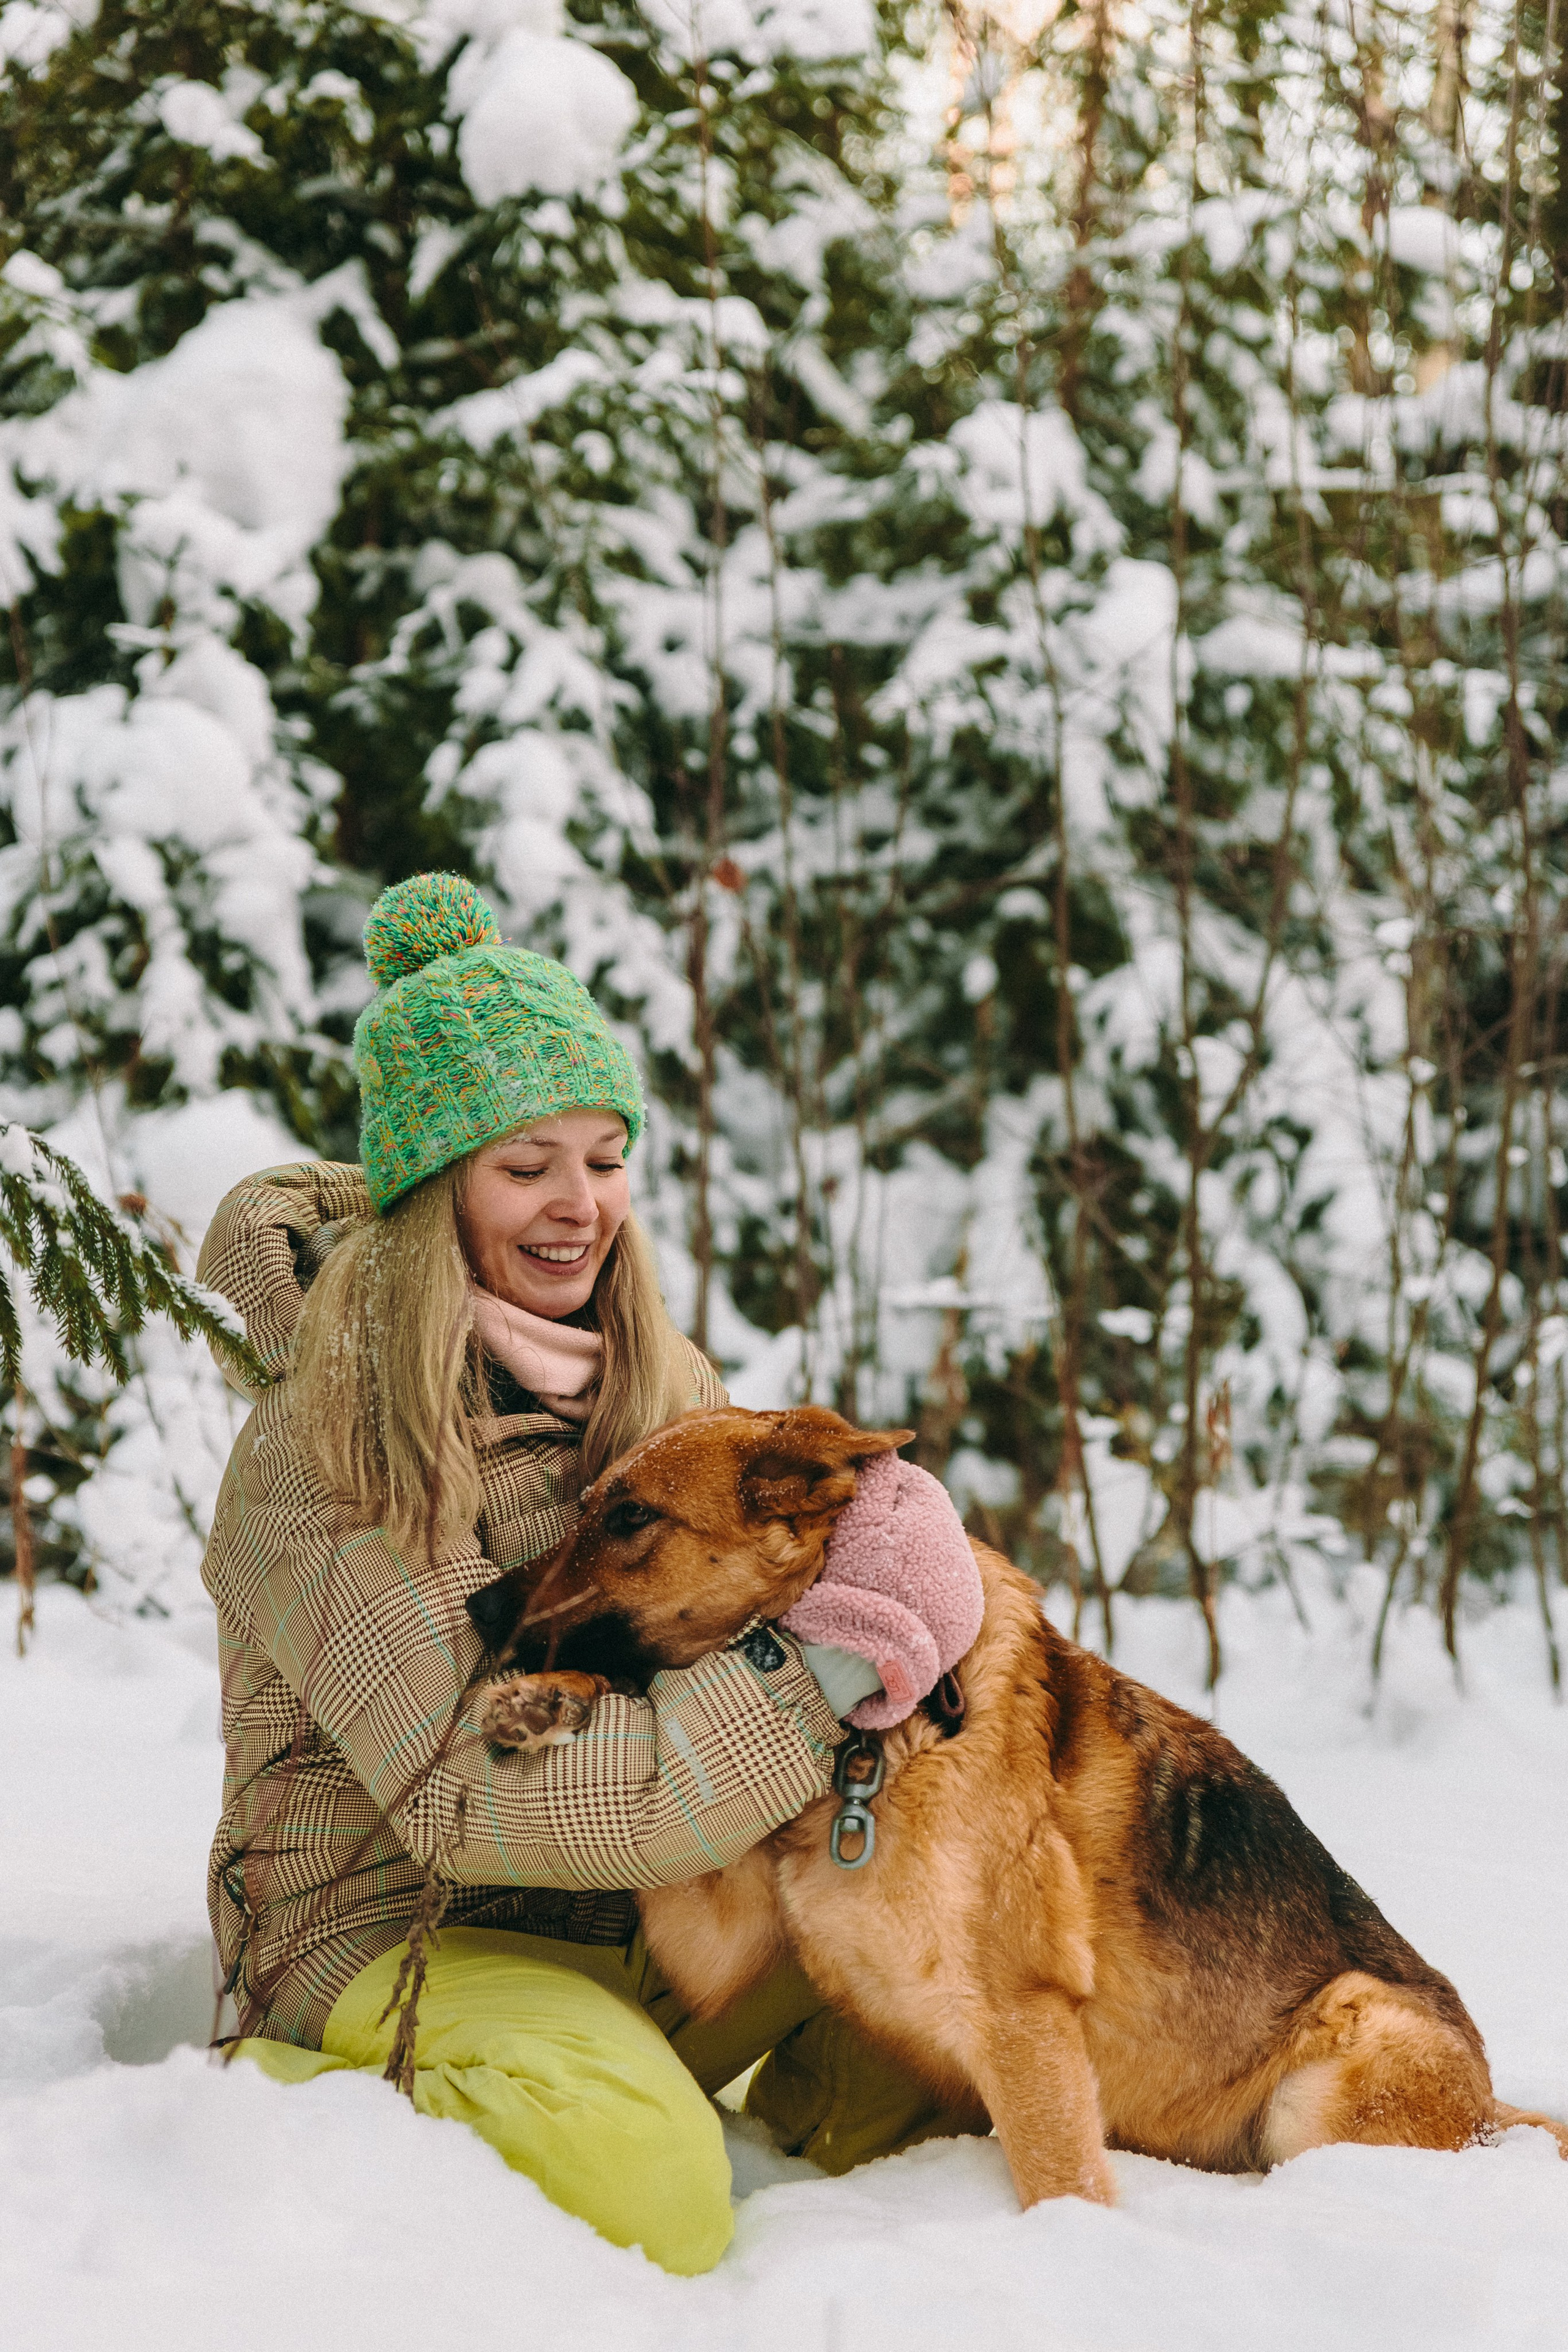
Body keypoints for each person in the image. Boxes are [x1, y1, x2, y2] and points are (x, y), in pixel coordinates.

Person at [198, 872, 978, 2274]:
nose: (580, 1206)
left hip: (646, 1913)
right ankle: (278, 2107)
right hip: (392, 1935)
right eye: (525, 1167)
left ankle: (758, 2144)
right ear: (434, 1189)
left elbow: (785, 1574)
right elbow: (474, 1794)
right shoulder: (329, 1437)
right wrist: (820, 1668)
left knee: (954, 2009)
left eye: (606, 1158)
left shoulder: (662, 1387)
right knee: (653, 2185)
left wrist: (893, 1566)